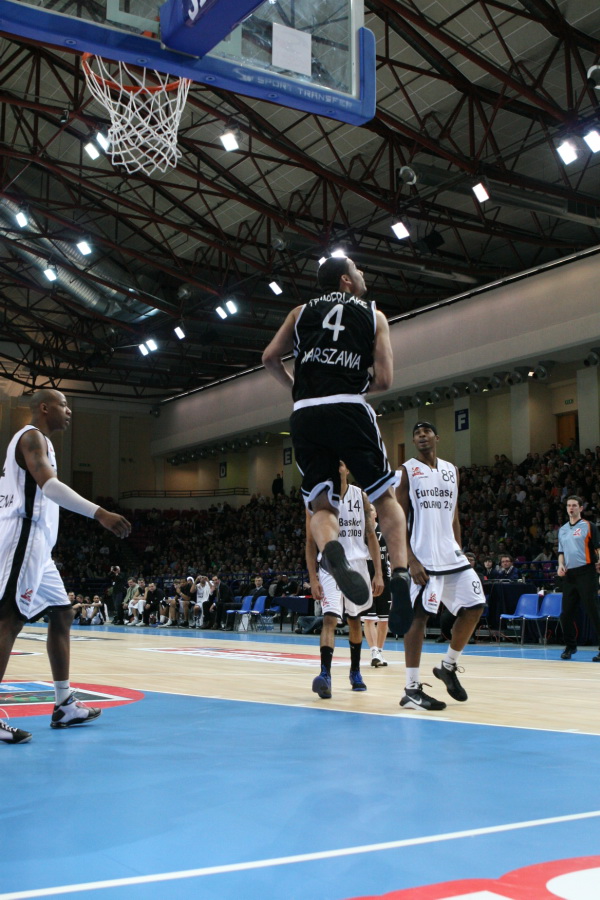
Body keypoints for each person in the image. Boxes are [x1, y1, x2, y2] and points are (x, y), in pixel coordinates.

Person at [262, 255, 410, 619]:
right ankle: (401, 574)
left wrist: (298, 388)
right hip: (348, 407)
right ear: (346, 279)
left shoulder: (299, 313)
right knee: (384, 495)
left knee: (321, 503)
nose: (362, 274)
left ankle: (331, 549)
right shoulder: (374, 316)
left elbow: (269, 358)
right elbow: (385, 380)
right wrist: (350, 385)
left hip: (306, 412)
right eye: (358, 270)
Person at [0, 389, 131, 744]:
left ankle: (63, 704)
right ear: (44, 407)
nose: (69, 411)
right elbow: (50, 487)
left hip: (39, 547)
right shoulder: (31, 438)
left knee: (62, 613)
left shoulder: (40, 443)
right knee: (9, 620)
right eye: (63, 405)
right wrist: (99, 513)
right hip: (24, 535)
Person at [397, 422, 484, 711]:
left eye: (426, 432)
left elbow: (454, 515)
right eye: (416, 433)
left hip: (451, 554)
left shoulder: (451, 470)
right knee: (419, 617)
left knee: (475, 605)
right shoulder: (407, 471)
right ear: (414, 441)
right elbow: (398, 519)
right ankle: (411, 689)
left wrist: (459, 549)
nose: (421, 435)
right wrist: (410, 559)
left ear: (437, 437)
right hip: (423, 556)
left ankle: (448, 666)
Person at [306, 461, 383, 698]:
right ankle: (325, 674)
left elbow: (371, 536)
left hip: (357, 563)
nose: (338, 467)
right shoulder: (317, 498)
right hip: (330, 565)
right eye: (334, 463)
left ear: (348, 469)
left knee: (354, 620)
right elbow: (309, 542)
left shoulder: (361, 496)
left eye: (341, 463)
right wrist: (313, 578)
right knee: (329, 619)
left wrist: (378, 573)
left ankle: (355, 672)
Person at [557, 495, 600, 661]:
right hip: (570, 575)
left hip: (586, 572)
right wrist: (560, 565)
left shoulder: (588, 526)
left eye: (574, 505)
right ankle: (570, 646)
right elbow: (561, 552)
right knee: (566, 614)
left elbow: (597, 547)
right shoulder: (562, 529)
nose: (571, 508)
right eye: (569, 505)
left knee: (593, 611)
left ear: (581, 508)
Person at [362, 504, 391, 667]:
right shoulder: (360, 532)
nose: (368, 512)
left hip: (384, 577)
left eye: (371, 510)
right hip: (365, 576)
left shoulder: (385, 530)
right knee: (368, 618)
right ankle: (374, 651)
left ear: (376, 514)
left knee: (384, 620)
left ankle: (379, 651)